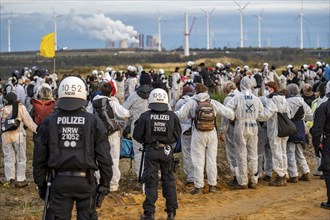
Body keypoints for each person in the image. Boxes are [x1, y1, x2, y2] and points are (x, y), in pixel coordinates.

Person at [33, 76, 113, 219]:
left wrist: (42, 185)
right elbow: (104, 157)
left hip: (59, 183)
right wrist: (105, 183)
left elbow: (39, 159)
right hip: (86, 183)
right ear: (83, 94)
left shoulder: (49, 122)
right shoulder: (93, 121)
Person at [175, 83, 235, 194]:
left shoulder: (192, 102)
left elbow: (180, 115)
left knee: (198, 160)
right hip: (212, 132)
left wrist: (168, 115)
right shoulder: (212, 102)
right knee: (211, 159)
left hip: (197, 133)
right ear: (206, 91)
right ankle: (212, 185)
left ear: (196, 92)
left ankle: (198, 186)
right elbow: (230, 114)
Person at [133, 88, 181, 220]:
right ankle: (171, 212)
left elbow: (136, 135)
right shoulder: (172, 116)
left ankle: (149, 213)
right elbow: (177, 135)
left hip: (151, 151)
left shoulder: (145, 116)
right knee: (168, 180)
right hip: (166, 151)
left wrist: (148, 141)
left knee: (150, 181)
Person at [226, 76, 270, 189]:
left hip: (240, 126)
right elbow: (262, 112)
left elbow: (227, 109)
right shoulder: (256, 98)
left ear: (241, 85)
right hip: (253, 126)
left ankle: (243, 181)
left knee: (241, 153)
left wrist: (234, 116)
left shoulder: (237, 97)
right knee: (253, 153)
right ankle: (253, 180)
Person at [93, 82, 130, 192]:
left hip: (98, 133)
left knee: (98, 157)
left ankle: (99, 181)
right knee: (113, 158)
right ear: (111, 92)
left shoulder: (94, 102)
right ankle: (113, 184)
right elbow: (126, 113)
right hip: (113, 133)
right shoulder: (112, 102)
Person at [0, 92, 37, 187]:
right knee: (21, 157)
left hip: (5, 136)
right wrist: (39, 131)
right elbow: (29, 122)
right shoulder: (21, 108)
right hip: (18, 135)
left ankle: (10, 179)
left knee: (8, 158)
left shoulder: (2, 109)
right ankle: (20, 179)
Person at [123, 73, 153, 181]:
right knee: (153, 151)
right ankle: (152, 175)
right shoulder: (154, 94)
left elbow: (124, 110)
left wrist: (130, 117)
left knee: (139, 152)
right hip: (152, 127)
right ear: (150, 81)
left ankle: (140, 177)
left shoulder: (134, 95)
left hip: (137, 128)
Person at [286, 83, 313, 183]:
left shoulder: (287, 101)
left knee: (290, 151)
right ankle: (305, 172)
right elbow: (310, 115)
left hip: (290, 127)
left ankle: (293, 175)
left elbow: (286, 115)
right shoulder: (302, 102)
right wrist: (304, 121)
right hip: (301, 127)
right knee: (299, 151)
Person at [310, 81, 330, 210]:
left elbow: (317, 130)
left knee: (328, 171)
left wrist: (317, 147)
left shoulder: (323, 107)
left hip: (329, 141)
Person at [174, 85, 195, 186]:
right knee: (197, 153)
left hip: (185, 130)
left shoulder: (180, 102)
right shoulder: (196, 100)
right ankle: (199, 175)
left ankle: (191, 177)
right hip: (196, 129)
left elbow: (177, 117)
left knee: (187, 153)